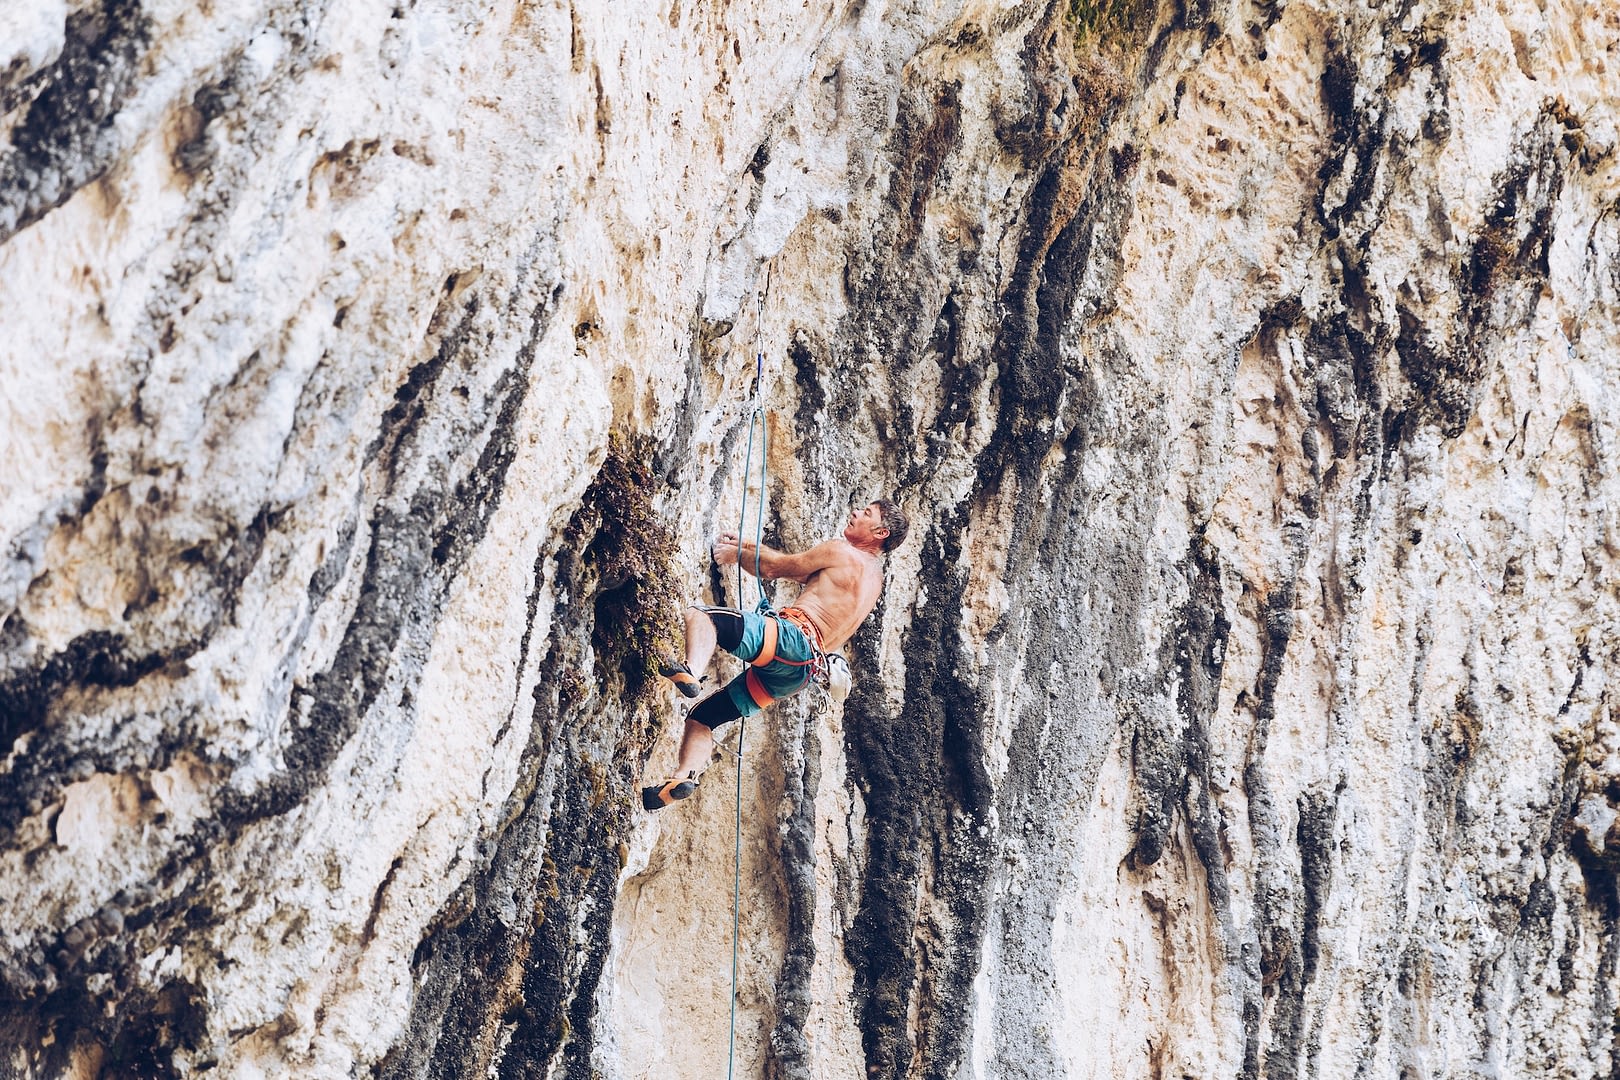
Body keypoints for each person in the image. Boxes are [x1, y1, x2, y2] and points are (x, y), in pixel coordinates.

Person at [642, 498, 910, 810]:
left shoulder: (843, 551)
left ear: (880, 532)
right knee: (704, 717)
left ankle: (691, 669)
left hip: (791, 641)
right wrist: (747, 547)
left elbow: (774, 568)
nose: (856, 512)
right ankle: (681, 777)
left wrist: (736, 555)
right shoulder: (874, 581)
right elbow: (797, 570)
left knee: (703, 617)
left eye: (867, 513)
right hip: (801, 674)